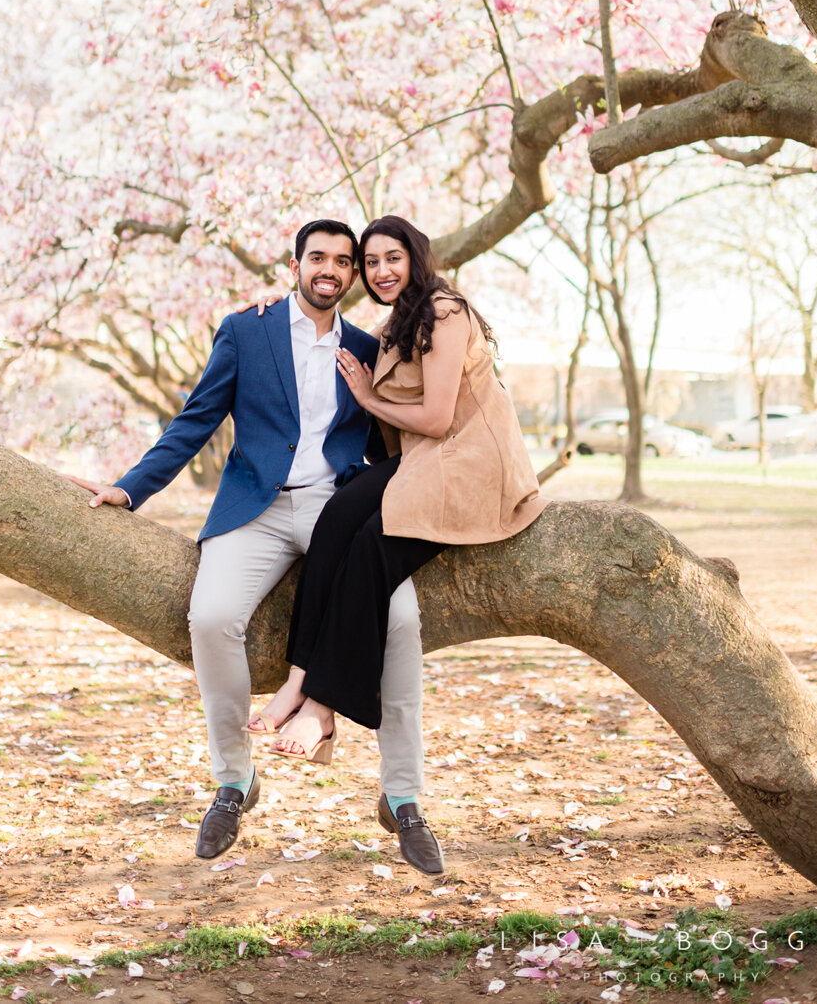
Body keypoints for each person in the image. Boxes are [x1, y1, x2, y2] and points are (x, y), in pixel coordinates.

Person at [68, 219, 443, 874]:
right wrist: (132, 489)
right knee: (211, 617)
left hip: (341, 511)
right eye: (317, 257)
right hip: (256, 509)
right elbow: (196, 419)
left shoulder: (367, 346)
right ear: (293, 265)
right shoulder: (247, 330)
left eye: (343, 261)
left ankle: (403, 794)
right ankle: (234, 780)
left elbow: (399, 436)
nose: (330, 268)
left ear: (353, 276)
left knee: (402, 621)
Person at [250, 216, 548, 849]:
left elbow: (438, 419)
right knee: (335, 521)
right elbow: (310, 321)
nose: (383, 270)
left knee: (369, 553)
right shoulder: (395, 324)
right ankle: (299, 678)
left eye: (393, 258)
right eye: (372, 262)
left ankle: (325, 707)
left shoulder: (443, 311)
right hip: (417, 464)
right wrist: (275, 308)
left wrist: (364, 394)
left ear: (416, 258)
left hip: (468, 472)